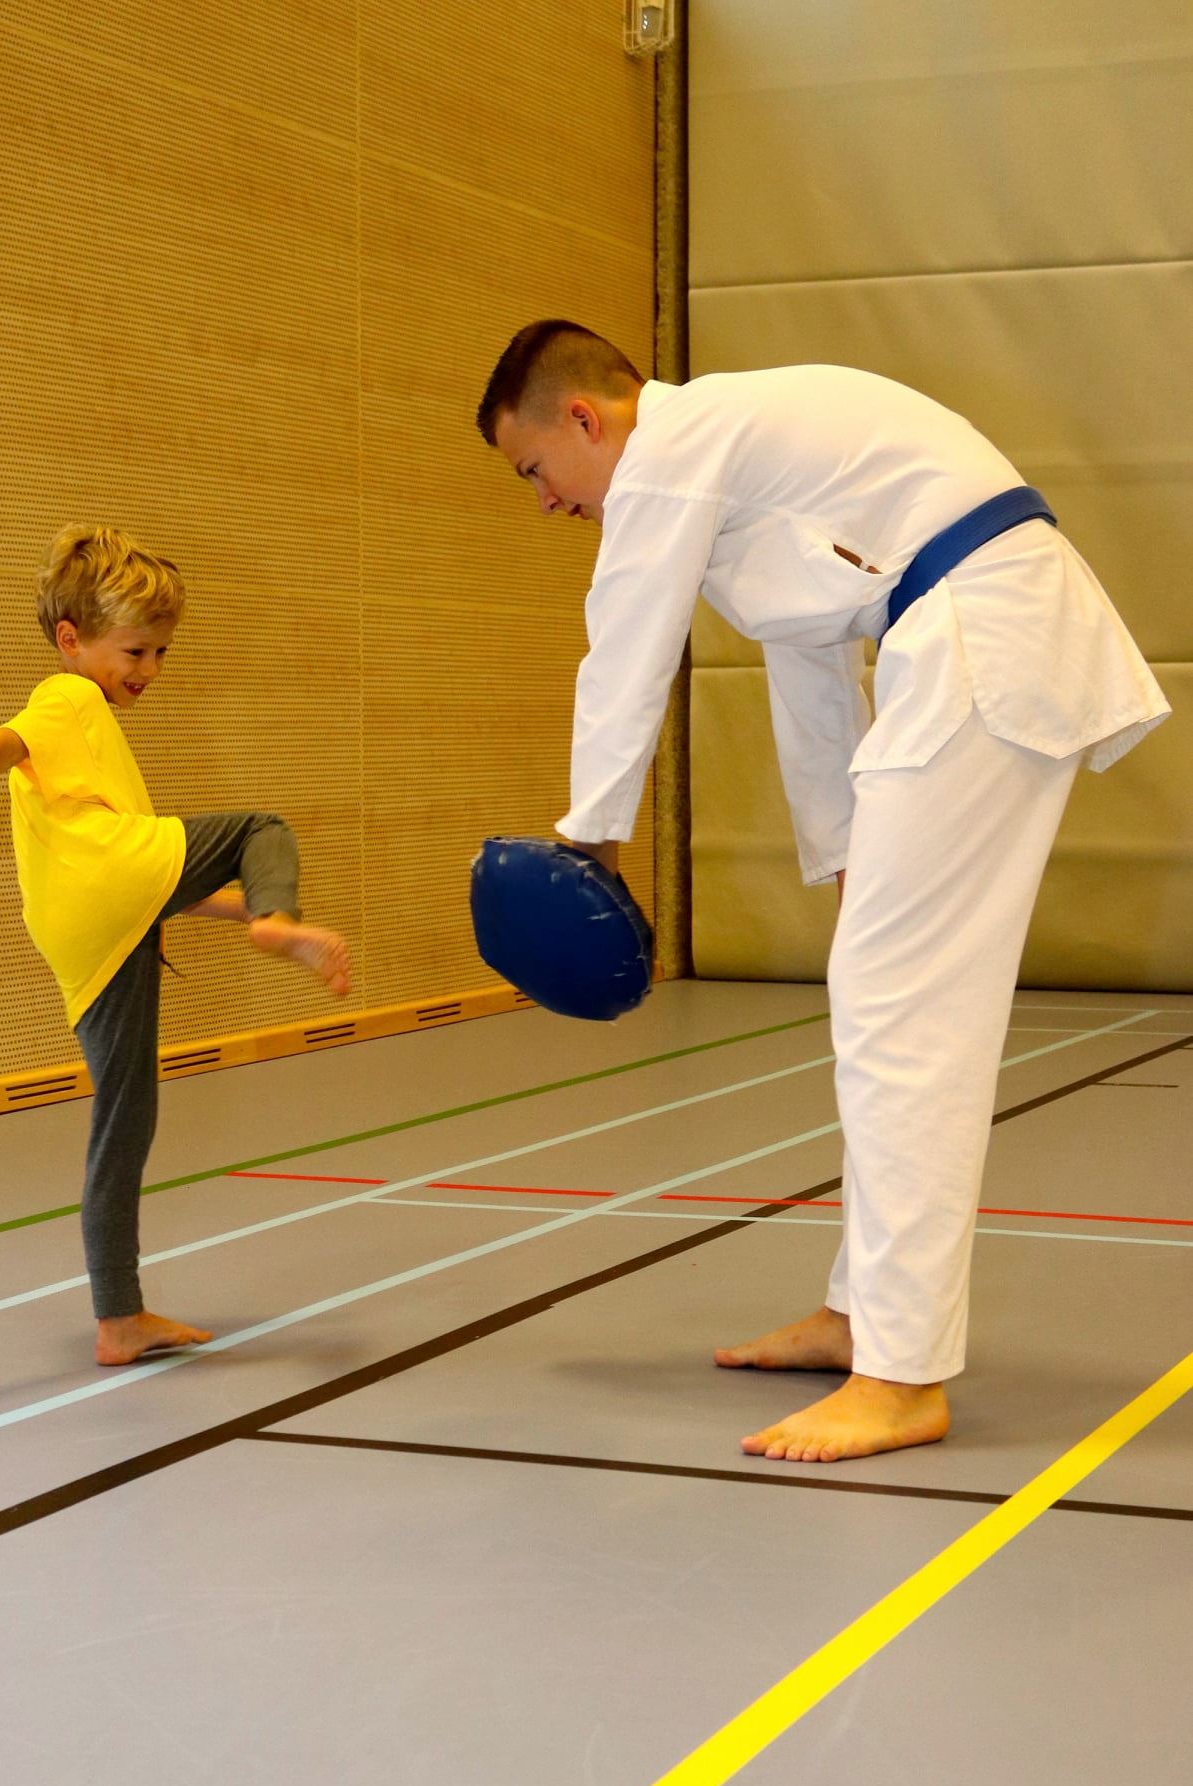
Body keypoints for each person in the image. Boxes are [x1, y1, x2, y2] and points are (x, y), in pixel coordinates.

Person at [476, 320, 1170, 1464]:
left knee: (902, 1016)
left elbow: (624, 644)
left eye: (534, 469)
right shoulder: (744, 465)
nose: (547, 500)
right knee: (877, 996)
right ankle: (863, 1318)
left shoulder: (675, 446)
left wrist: (588, 841)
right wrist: (842, 854)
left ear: (584, 419)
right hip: (966, 638)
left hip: (981, 639)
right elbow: (808, 651)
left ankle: (899, 1376)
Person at [0, 525, 350, 1366]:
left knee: (123, 1117)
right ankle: (278, 917)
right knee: (263, 828)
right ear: (72, 639)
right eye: (136, 650)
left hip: (88, 925)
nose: (150, 670)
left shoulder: (93, 758)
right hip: (104, 893)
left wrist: (243, 912)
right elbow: (5, 741)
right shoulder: (69, 697)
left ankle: (118, 1317)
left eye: (161, 652)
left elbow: (149, 880)